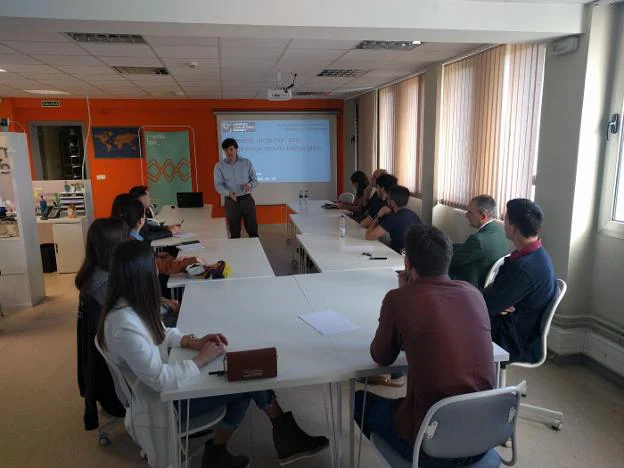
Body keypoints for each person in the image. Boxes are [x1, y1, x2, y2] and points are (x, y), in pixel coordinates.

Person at [96, 242, 329, 468]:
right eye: (155, 264)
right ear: (141, 274)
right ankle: (279, 439)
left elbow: (161, 332)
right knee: (247, 378)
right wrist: (201, 359)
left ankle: (231, 450)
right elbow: (160, 380)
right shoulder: (123, 326)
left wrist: (192, 341)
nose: (159, 269)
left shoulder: (129, 306)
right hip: (164, 404)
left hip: (165, 390)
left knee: (243, 374)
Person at [355, 224, 495, 466]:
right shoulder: (474, 293)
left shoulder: (398, 300)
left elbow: (381, 357)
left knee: (360, 401)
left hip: (431, 441)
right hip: (484, 434)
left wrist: (402, 297)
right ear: (448, 260)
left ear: (407, 263)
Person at [483, 198, 556, 363]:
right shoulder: (537, 255)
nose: (503, 223)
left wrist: (495, 300)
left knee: (457, 322)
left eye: (506, 219)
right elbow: (494, 300)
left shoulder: (524, 268)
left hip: (513, 339)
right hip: (518, 328)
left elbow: (488, 304)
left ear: (513, 228)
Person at [76, 218, 128, 432]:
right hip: (120, 385)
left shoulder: (94, 274)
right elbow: (132, 316)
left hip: (109, 368)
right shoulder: (105, 284)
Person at [449, 195, 509, 289]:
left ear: (483, 216)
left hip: (470, 283)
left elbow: (451, 261)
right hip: (488, 282)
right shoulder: (499, 231)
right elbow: (468, 249)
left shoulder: (477, 240)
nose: (466, 215)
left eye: (470, 212)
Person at [214, 138, 258, 239]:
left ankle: (255, 252)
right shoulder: (219, 166)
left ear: (236, 149)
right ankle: (236, 254)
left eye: (231, 149)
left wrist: (249, 185)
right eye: (225, 150)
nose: (228, 152)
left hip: (247, 199)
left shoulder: (246, 163)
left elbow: (255, 180)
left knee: (253, 230)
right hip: (231, 201)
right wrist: (228, 193)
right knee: (234, 232)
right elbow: (218, 185)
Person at [366, 185, 422, 253]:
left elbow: (368, 236)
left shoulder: (393, 218)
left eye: (388, 199)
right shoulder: (413, 215)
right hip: (413, 255)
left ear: (392, 202)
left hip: (397, 256)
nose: (387, 201)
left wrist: (379, 214)